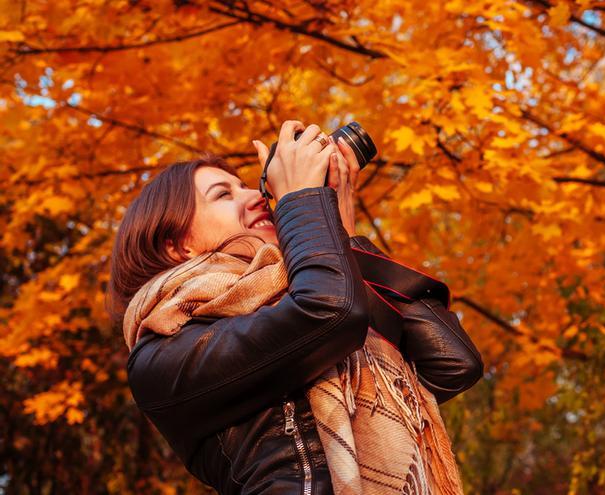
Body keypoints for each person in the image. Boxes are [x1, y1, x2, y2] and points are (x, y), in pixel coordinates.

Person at [107, 120, 483, 494]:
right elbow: (329, 312)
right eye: (223, 195)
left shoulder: (314, 286)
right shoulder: (162, 356)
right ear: (178, 245)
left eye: (246, 185)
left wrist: (345, 235)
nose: (257, 196)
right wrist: (302, 200)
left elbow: (452, 363)